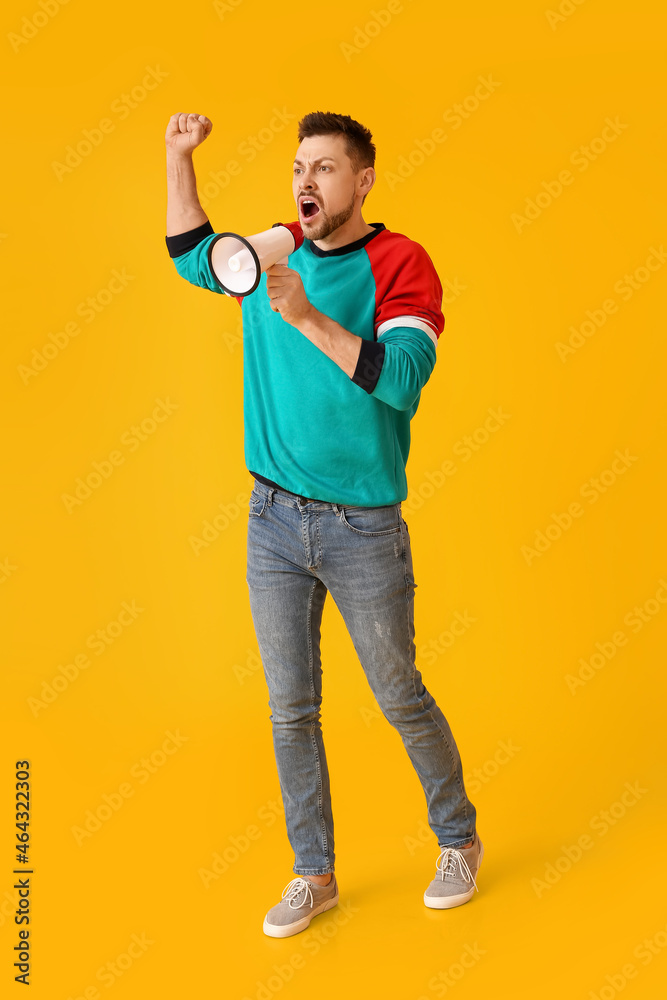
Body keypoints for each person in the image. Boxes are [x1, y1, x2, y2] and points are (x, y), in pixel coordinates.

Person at [164, 110, 483, 938]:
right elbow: (191, 256)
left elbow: (401, 377)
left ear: (364, 180)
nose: (307, 182)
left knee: (397, 694)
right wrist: (177, 158)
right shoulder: (272, 251)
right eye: (299, 167)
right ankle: (314, 873)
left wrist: (305, 316)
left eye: (327, 169)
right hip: (271, 518)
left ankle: (458, 840)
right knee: (289, 709)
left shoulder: (399, 261)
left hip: (362, 526)